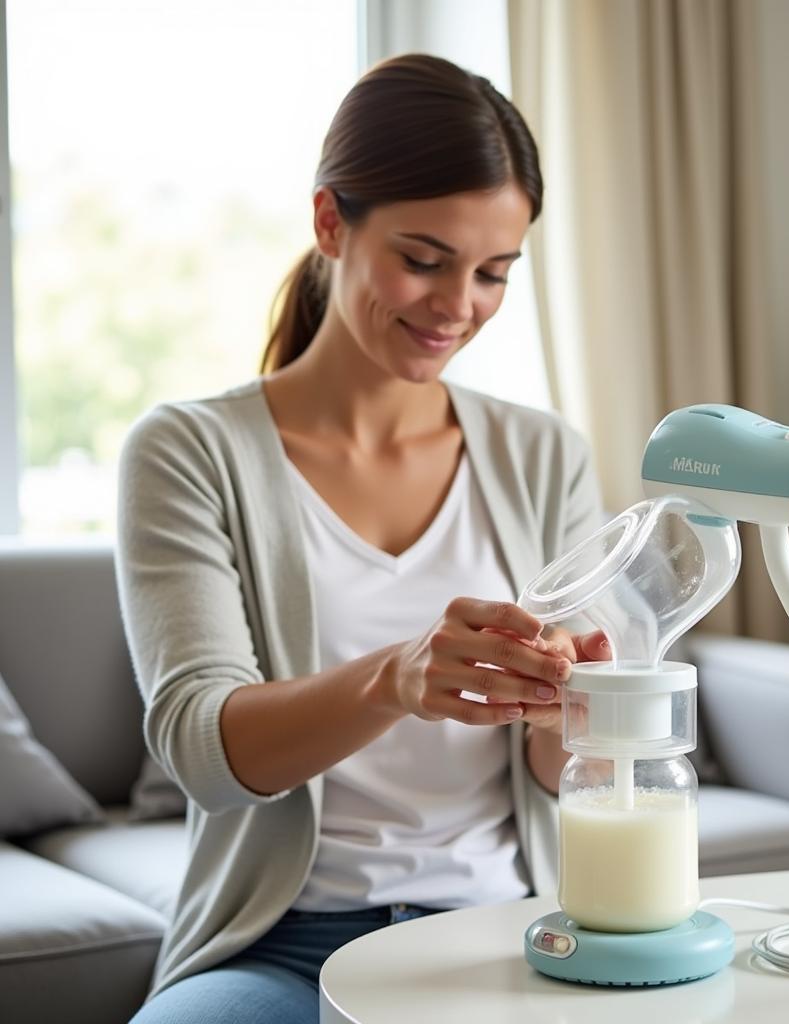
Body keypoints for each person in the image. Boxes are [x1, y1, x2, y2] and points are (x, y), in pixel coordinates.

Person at [117, 53, 608, 1023]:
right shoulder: (189, 451)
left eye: (493, 273)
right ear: (329, 222)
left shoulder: (545, 457)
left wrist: (568, 717)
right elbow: (200, 747)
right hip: (281, 948)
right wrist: (395, 678)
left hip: (506, 939)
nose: (456, 305)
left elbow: (566, 778)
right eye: (423, 260)